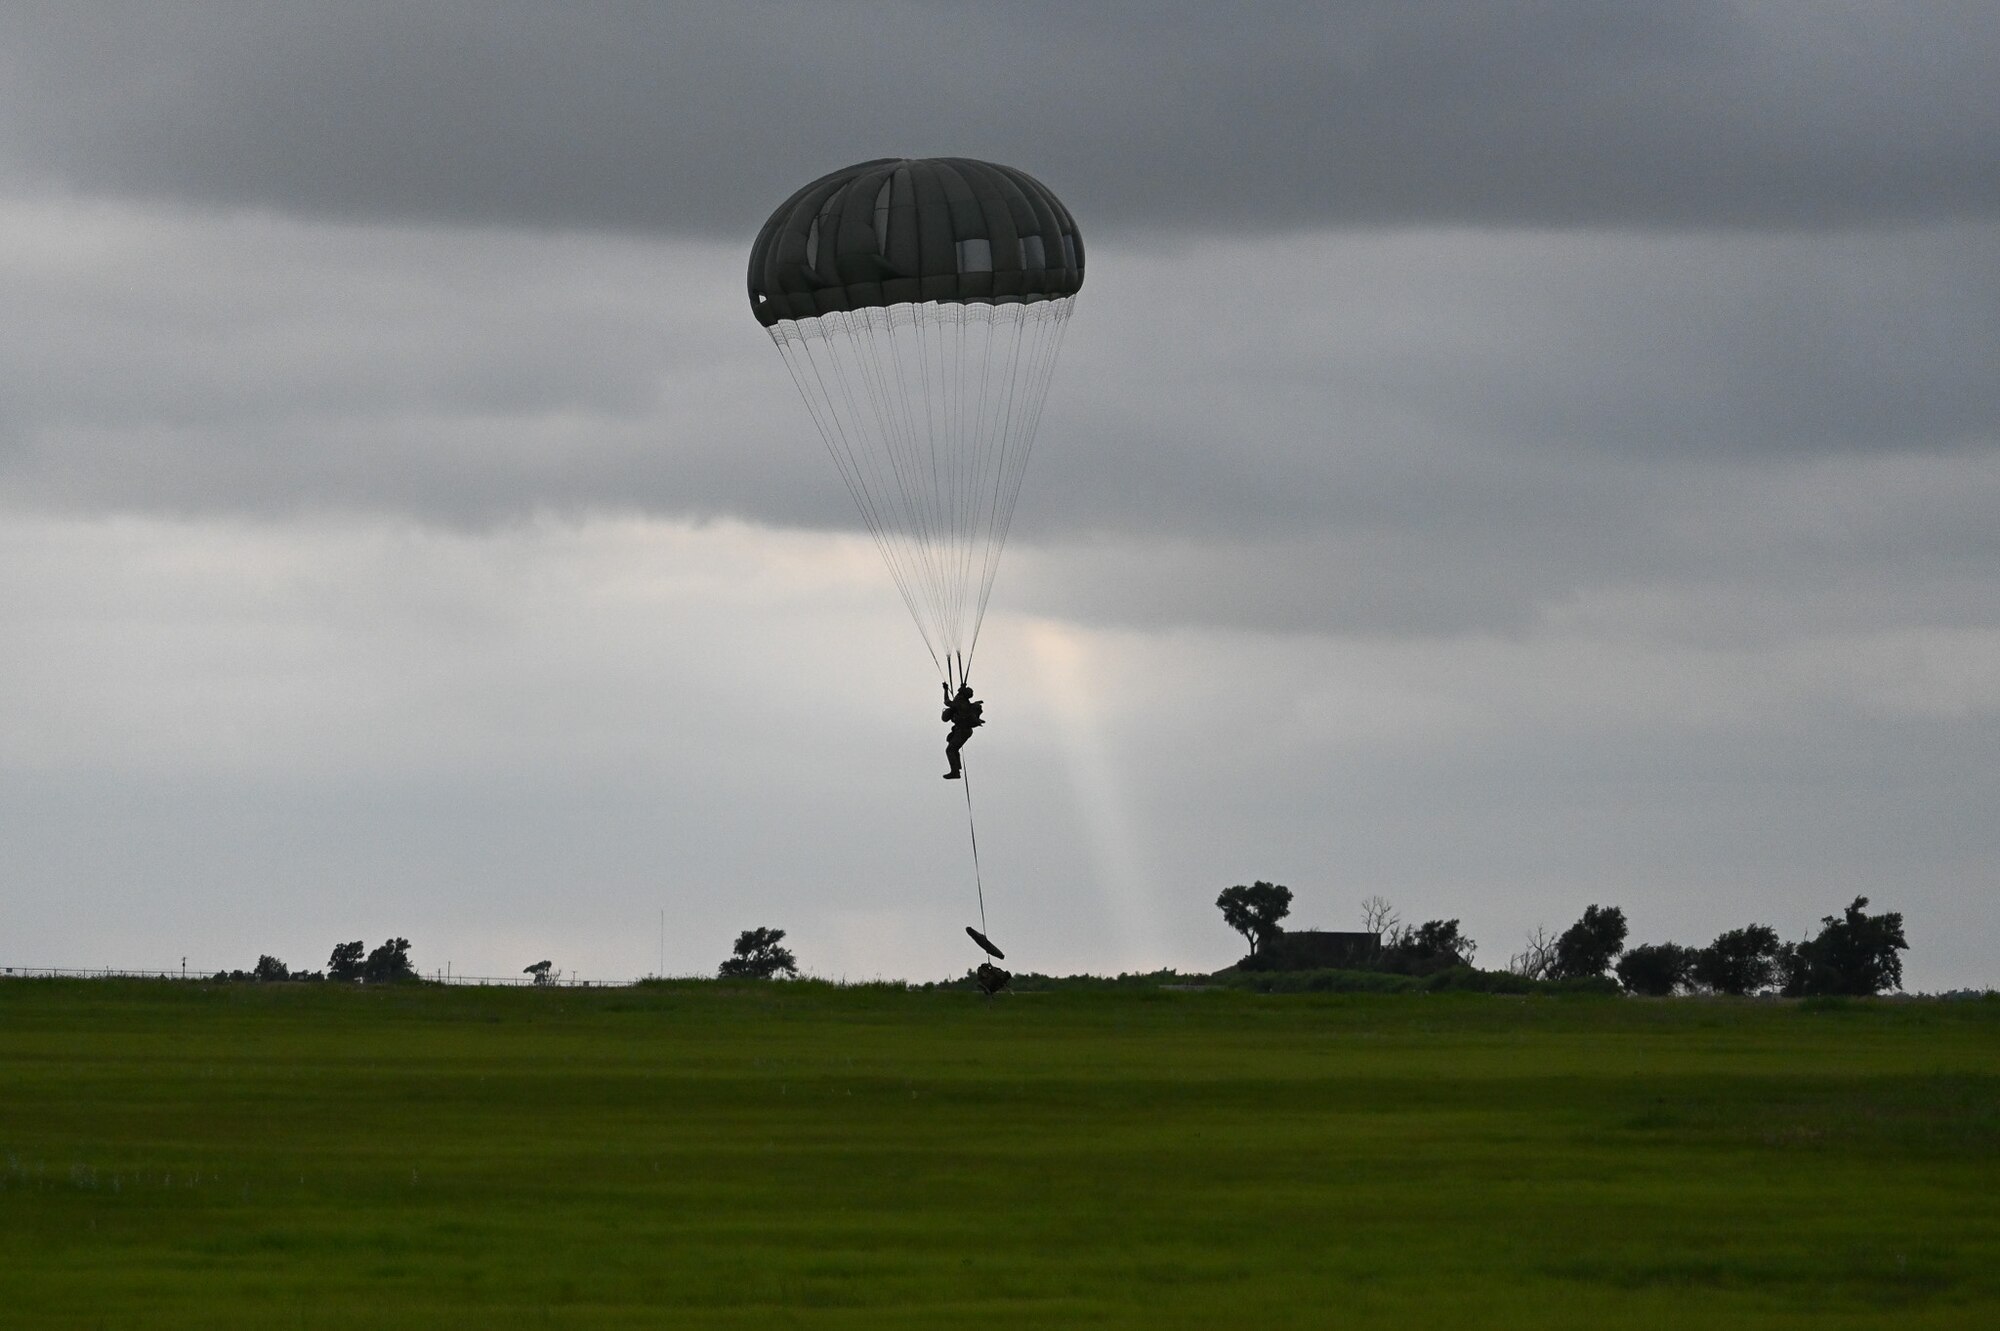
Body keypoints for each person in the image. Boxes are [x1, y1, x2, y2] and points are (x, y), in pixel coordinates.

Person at [940, 682, 984, 779]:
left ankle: (955, 772)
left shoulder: (959, 703)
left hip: (962, 731)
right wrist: (962, 686)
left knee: (950, 750)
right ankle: (957, 769)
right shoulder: (964, 701)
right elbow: (958, 698)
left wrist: (946, 690)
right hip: (964, 730)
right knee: (954, 749)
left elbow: (947, 702)